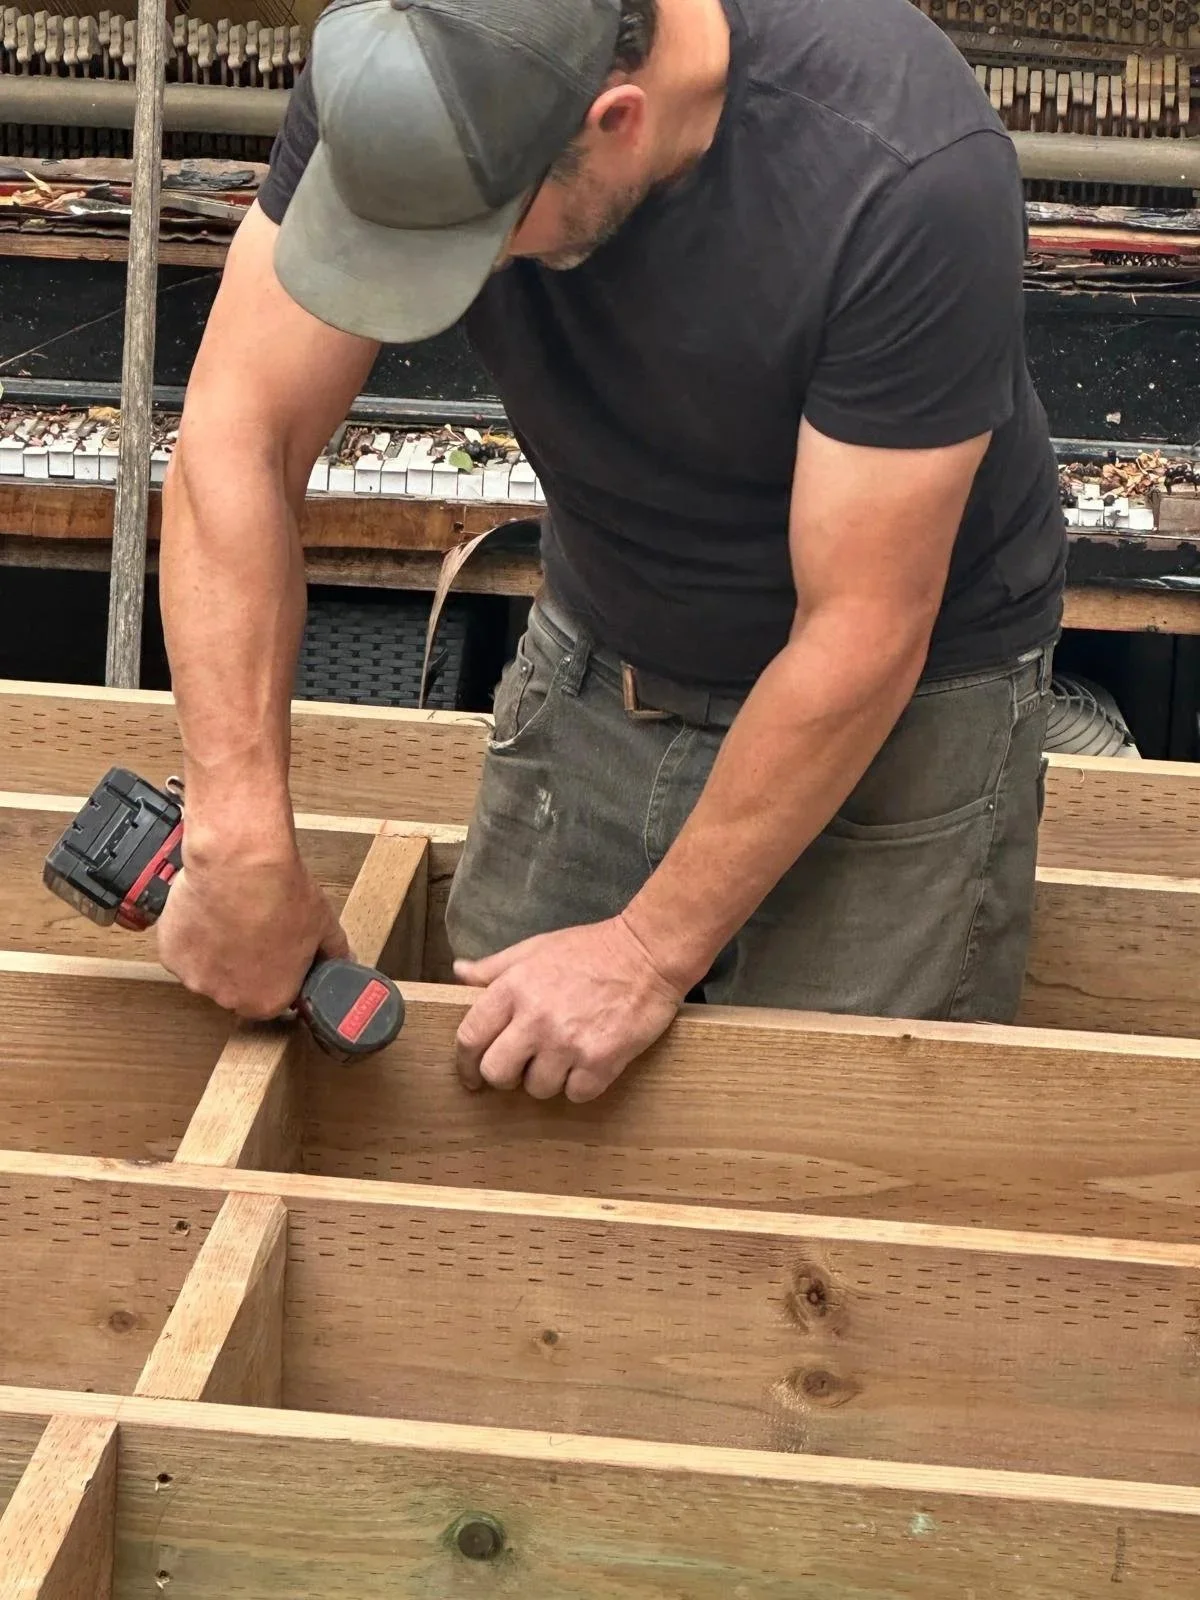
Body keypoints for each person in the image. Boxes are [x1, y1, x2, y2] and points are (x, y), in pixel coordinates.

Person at [156, 0, 1066, 1106]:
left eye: (467, 239)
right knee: (492, 1092)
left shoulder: (906, 169)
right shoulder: (407, 69)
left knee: (825, 1137)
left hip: (902, 706)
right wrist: (237, 838)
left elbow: (862, 629)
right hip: (604, 648)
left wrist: (646, 952)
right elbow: (237, 436)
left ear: (617, 120)